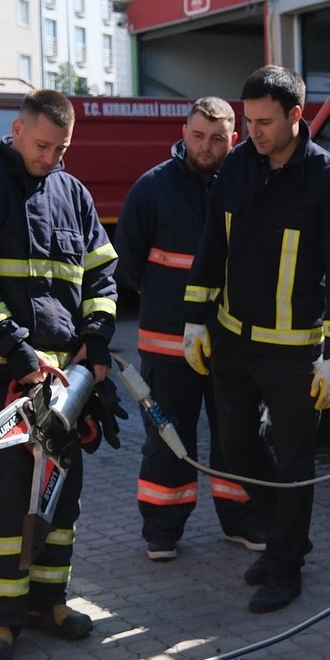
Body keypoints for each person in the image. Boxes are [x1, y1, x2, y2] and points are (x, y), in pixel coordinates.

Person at [0, 89, 120, 660]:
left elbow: (102, 273)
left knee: (62, 492)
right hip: (0, 375)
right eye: (42, 145)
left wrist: (96, 337)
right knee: (8, 494)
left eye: (61, 148)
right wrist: (18, 353)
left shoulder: (74, 195)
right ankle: (2, 616)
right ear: (16, 130)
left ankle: (48, 603)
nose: (50, 157)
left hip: (67, 381)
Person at [183, 65, 330, 614]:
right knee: (236, 448)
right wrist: (195, 319)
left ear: (296, 116)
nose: (253, 132)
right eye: (249, 120)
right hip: (233, 343)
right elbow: (213, 246)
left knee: (294, 463)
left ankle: (285, 567)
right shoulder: (237, 166)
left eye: (265, 122)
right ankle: (288, 538)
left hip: (294, 351)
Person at [114, 97, 268, 562]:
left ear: (233, 139)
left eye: (217, 138)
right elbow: (128, 263)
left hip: (231, 341)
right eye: (198, 136)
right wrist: (167, 304)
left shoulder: (249, 185)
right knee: (167, 439)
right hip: (167, 344)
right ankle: (162, 530)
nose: (206, 146)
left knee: (236, 435)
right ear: (184, 132)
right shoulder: (152, 187)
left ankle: (242, 521)